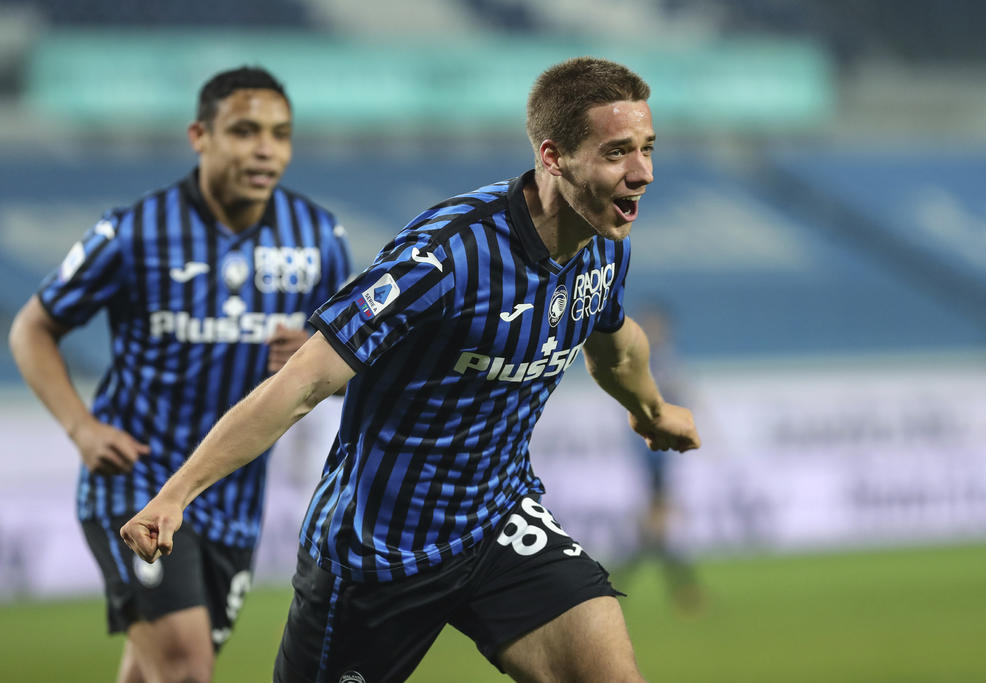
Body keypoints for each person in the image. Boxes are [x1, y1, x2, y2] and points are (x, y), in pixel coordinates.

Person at [121, 56, 701, 682]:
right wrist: (176, 495)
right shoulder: (448, 256)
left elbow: (616, 346)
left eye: (646, 148)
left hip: (498, 519)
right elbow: (302, 383)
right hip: (377, 549)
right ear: (554, 157)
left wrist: (652, 410)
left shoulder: (603, 247)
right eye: (617, 153)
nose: (642, 173)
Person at [8, 66, 352, 683]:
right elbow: (32, 329)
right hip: (136, 482)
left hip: (232, 497)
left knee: (155, 673)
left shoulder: (319, 238)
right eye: (245, 131)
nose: (266, 148)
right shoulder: (133, 232)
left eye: (280, 133)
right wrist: (83, 431)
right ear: (200, 135)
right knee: (187, 670)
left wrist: (315, 352)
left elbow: (351, 361)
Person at [614, 306, 702, 611]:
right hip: (651, 453)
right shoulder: (647, 359)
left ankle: (613, 586)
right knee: (655, 529)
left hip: (660, 454)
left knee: (654, 530)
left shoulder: (662, 357)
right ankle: (684, 589)